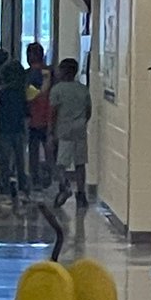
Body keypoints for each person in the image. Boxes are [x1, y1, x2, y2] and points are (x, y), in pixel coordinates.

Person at [50, 57, 92, 209]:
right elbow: (88, 111)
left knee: (61, 163)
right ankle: (81, 194)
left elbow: (53, 113)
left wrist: (50, 132)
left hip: (64, 130)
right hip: (80, 129)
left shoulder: (57, 90)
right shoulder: (83, 89)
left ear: (63, 72)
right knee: (80, 163)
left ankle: (65, 186)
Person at [0, 60, 30, 198]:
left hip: (4, 128)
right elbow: (25, 112)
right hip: (18, 128)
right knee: (20, 159)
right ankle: (22, 185)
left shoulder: (1, 92)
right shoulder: (21, 92)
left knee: (4, 160)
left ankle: (5, 186)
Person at [25, 43, 52, 189]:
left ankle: (35, 178)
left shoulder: (26, 75)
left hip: (32, 117)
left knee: (33, 149)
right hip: (49, 116)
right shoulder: (51, 74)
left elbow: (28, 97)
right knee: (49, 149)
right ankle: (49, 175)